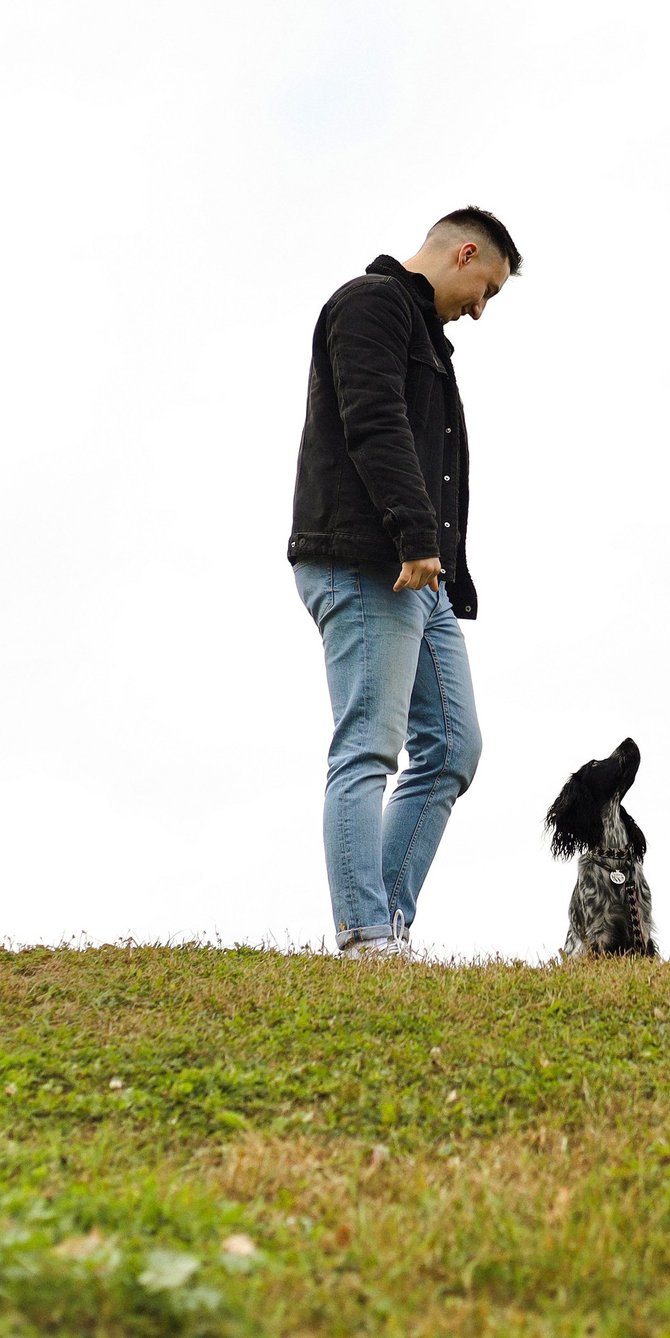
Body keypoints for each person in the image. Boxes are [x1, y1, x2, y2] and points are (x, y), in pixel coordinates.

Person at [288, 208, 520, 956]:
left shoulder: (425, 335)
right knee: (368, 744)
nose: (480, 309)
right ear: (464, 253)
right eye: (486, 289)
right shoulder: (372, 304)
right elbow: (374, 420)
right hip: (370, 559)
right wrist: (416, 534)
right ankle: (365, 936)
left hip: (421, 576)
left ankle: (385, 924)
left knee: (453, 746)